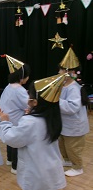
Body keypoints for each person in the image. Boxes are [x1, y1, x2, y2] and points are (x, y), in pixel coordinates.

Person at [0, 73, 67, 190]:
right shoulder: (53, 118)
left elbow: (11, 139)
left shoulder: (30, 122)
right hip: (52, 171)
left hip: (37, 176)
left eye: (28, 94)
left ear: (34, 102)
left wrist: (4, 122)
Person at [57, 47, 90, 177]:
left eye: (60, 70)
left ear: (67, 72)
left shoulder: (74, 88)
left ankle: (78, 167)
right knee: (63, 144)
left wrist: (56, 100)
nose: (58, 72)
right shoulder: (64, 85)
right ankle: (67, 161)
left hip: (74, 125)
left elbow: (72, 108)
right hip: (64, 124)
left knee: (73, 147)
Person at [0, 54, 30, 175]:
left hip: (6, 119)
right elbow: (28, 105)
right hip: (15, 120)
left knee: (10, 141)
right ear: (22, 77)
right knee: (16, 143)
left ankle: (10, 160)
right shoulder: (19, 89)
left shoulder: (9, 87)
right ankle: (15, 167)